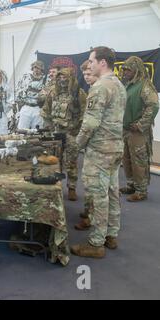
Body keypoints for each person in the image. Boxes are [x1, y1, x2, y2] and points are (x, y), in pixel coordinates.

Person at [71, 46, 127, 258]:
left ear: (102, 62)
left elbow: (90, 124)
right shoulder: (118, 85)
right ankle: (111, 235)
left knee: (98, 195)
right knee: (112, 191)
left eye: (92, 61)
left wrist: (78, 144)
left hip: (100, 151)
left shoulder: (100, 87)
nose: (90, 64)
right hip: (115, 148)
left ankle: (96, 243)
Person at [41, 68, 87, 201]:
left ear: (71, 78)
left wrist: (77, 128)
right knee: (55, 160)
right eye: (60, 78)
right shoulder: (53, 93)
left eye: (65, 78)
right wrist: (48, 127)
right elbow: (46, 111)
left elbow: (84, 113)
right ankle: (56, 186)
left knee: (71, 161)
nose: (62, 80)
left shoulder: (78, 93)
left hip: (71, 133)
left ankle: (72, 188)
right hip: (56, 132)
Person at [120, 56, 159, 202]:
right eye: (124, 70)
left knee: (139, 161)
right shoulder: (129, 85)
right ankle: (131, 185)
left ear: (136, 69)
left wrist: (141, 124)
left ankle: (141, 191)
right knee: (127, 159)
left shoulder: (144, 86)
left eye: (128, 70)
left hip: (138, 132)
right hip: (126, 130)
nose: (125, 72)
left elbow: (154, 106)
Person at [78, 60, 98, 220]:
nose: (86, 77)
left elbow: (90, 123)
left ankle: (92, 217)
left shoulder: (98, 90)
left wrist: (78, 144)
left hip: (98, 146)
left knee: (94, 184)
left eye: (89, 73)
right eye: (84, 74)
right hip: (101, 144)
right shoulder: (95, 89)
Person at [16, 60, 46, 129]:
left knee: (37, 131)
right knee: (22, 130)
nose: (36, 70)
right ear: (32, 68)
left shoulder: (45, 80)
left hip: (37, 108)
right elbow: (18, 90)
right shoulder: (25, 77)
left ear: (42, 69)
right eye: (35, 67)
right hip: (26, 107)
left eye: (38, 68)